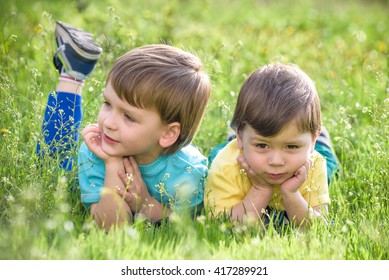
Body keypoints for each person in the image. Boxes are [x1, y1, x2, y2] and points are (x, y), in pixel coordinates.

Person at [37, 21, 211, 232]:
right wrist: (112, 164)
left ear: (168, 133)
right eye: (107, 104)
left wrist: (144, 202)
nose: (108, 123)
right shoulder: (94, 154)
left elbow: (183, 224)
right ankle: (72, 72)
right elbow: (111, 227)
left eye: (128, 116)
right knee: (53, 161)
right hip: (78, 176)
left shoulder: (188, 172)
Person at [204, 63, 339, 228]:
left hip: (308, 149)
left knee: (331, 166)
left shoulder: (315, 164)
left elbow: (317, 228)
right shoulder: (225, 166)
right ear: (241, 138)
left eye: (291, 146)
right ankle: (239, 137)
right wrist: (261, 189)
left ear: (311, 142)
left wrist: (291, 194)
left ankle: (318, 136)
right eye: (262, 145)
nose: (276, 161)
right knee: (216, 154)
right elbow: (222, 226)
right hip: (238, 149)